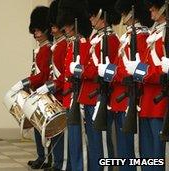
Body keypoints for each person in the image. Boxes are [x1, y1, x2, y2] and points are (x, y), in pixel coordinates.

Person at [96, 0, 153, 170]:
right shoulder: (127, 37)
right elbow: (117, 64)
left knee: (133, 151)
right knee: (123, 150)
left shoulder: (142, 37)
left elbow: (142, 67)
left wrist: (115, 73)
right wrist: (105, 71)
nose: (122, 16)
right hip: (119, 100)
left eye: (124, 12)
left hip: (131, 100)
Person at [69, 0, 121, 170]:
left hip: (100, 96)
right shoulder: (96, 37)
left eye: (93, 15)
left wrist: (82, 71)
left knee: (102, 145)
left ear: (101, 15)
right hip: (89, 96)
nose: (90, 19)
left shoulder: (110, 39)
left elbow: (109, 70)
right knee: (94, 143)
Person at [123, 0, 167, 170]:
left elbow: (160, 72)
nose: (151, 10)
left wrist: (141, 72)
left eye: (155, 7)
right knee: (147, 153)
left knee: (158, 154)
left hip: (160, 103)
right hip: (147, 102)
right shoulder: (155, 33)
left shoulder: (163, 34)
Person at [11, 6, 52, 170]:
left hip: (43, 92)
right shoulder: (40, 48)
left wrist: (26, 82)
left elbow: (42, 75)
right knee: (37, 126)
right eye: (34, 30)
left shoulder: (47, 49)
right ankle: (41, 156)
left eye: (38, 30)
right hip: (37, 91)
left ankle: (46, 157)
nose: (35, 34)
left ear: (45, 30)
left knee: (44, 129)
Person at [56, 0, 93, 170]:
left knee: (80, 141)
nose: (65, 28)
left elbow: (85, 70)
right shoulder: (73, 43)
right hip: (69, 97)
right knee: (73, 140)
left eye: (68, 24)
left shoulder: (83, 43)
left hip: (78, 97)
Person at [35, 1, 68, 170]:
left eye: (55, 27)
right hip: (53, 92)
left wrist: (50, 86)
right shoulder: (56, 46)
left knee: (59, 131)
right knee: (51, 130)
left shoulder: (63, 46)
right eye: (52, 26)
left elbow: (63, 75)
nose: (53, 30)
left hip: (60, 93)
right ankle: (54, 160)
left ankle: (59, 162)